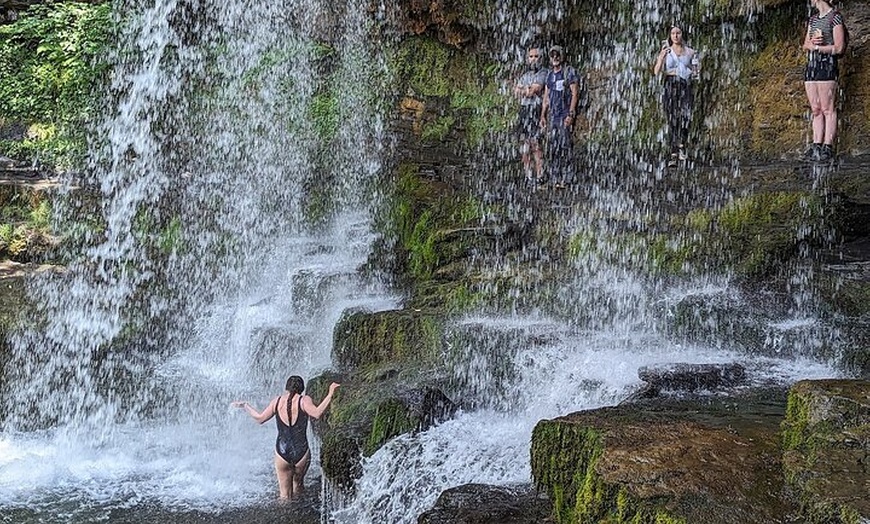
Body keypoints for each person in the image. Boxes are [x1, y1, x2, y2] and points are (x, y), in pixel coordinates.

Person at [231, 376, 340, 500]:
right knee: (298, 487)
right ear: (302, 388)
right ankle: (299, 515)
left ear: (286, 387)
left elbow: (260, 419)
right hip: (301, 451)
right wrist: (330, 393)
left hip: (281, 452)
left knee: (284, 495)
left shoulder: (277, 401)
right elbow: (317, 413)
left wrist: (245, 405)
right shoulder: (304, 400)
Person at [801, 0, 846, 162]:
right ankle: (816, 145)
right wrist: (813, 43)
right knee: (816, 109)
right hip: (812, 65)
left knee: (828, 108)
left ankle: (828, 146)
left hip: (827, 65)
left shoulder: (835, 17)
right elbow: (805, 44)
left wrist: (819, 48)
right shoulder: (813, 20)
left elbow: (839, 47)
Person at [653, 26, 699, 166]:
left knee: (686, 116)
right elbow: (656, 71)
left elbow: (696, 71)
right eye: (673, 33)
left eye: (678, 33)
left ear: (682, 34)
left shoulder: (691, 52)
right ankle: (673, 152)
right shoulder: (666, 51)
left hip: (685, 85)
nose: (675, 35)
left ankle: (682, 146)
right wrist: (661, 58)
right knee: (672, 117)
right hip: (670, 84)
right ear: (670, 35)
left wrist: (695, 70)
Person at [539, 45, 579, 189]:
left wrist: (571, 114)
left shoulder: (569, 72)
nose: (555, 58)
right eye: (552, 55)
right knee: (554, 147)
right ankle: (555, 177)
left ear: (562, 56)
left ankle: (568, 178)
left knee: (566, 146)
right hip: (553, 117)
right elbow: (546, 97)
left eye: (557, 55)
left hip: (564, 115)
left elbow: (575, 94)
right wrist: (543, 115)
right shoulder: (550, 75)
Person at [513, 45, 548, 184]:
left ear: (541, 58)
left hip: (535, 109)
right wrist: (524, 89)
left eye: (536, 56)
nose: (533, 59)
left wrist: (525, 89)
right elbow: (516, 91)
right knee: (524, 143)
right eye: (531, 56)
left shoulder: (544, 73)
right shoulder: (525, 75)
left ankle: (540, 175)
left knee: (535, 143)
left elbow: (532, 91)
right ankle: (528, 175)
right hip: (524, 109)